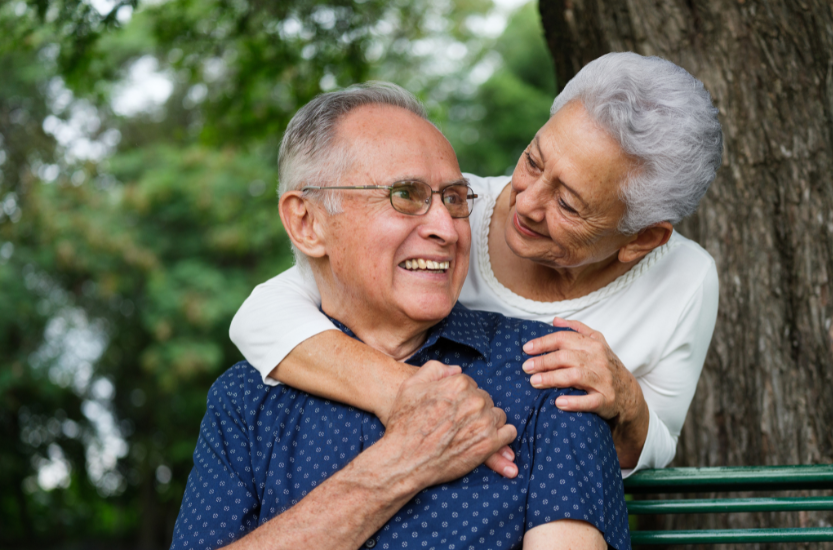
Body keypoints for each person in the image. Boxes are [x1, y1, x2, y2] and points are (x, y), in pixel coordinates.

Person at [170, 84, 630, 550]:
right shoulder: (244, 401)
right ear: (308, 223)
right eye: (405, 195)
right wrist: (394, 467)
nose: (446, 228)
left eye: (453, 199)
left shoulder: (548, 370)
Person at [230, 51, 723, 475]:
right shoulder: (445, 211)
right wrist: (407, 393)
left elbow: (655, 442)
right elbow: (262, 317)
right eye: (533, 161)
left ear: (642, 239)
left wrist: (626, 399)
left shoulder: (686, 279)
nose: (526, 202)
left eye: (569, 205)